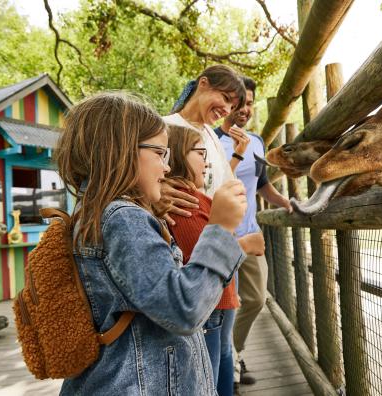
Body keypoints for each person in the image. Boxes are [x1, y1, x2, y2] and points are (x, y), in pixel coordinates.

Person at [54, 92, 248, 395]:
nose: (167, 168)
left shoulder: (100, 214)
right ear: (120, 152)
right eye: (160, 154)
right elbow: (184, 308)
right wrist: (221, 228)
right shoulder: (122, 219)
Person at [163, 123, 264, 396]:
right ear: (175, 156)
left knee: (222, 356)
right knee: (211, 371)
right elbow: (205, 257)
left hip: (219, 300)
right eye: (200, 154)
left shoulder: (192, 197)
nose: (207, 163)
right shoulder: (184, 205)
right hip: (210, 308)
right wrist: (245, 244)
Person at [214, 77, 292, 389]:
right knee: (224, 305)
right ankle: (228, 364)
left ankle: (236, 350)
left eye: (249, 103)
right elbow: (211, 186)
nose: (245, 109)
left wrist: (283, 201)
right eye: (239, 103)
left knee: (257, 299)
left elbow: (260, 184)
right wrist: (234, 153)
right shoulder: (211, 140)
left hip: (251, 234)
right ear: (227, 104)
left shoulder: (257, 142)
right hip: (221, 238)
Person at [162, 65, 251, 224]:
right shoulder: (163, 127)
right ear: (203, 83)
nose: (227, 111)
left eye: (232, 107)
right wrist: (157, 193)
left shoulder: (212, 136)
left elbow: (223, 184)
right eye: (225, 98)